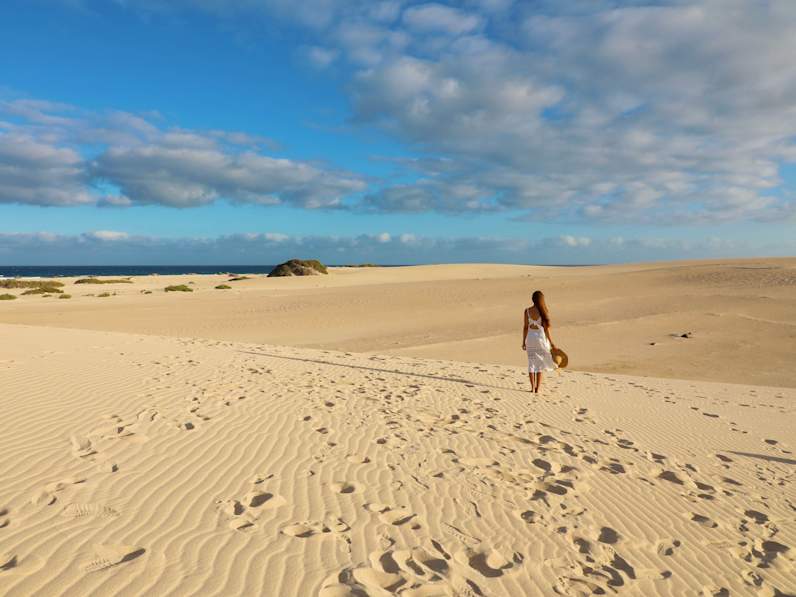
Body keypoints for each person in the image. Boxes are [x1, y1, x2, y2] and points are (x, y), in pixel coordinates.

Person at [522, 290, 557, 393]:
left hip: (531, 338)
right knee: (540, 364)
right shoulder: (543, 312)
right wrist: (551, 342)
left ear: (532, 299)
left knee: (531, 363)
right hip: (540, 339)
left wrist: (524, 342)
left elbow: (525, 327)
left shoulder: (527, 311)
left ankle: (532, 387)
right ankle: (537, 388)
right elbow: (546, 330)